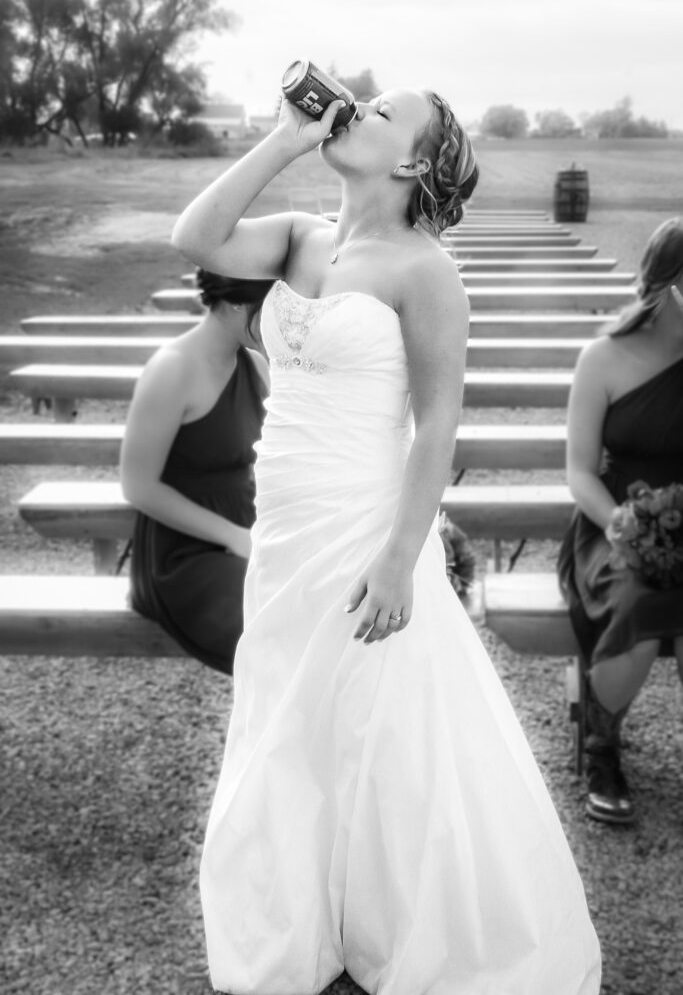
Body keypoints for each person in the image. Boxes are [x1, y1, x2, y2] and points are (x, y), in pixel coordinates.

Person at [172, 85, 601, 994]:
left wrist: (401, 559)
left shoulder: (426, 270)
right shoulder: (297, 235)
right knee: (288, 712)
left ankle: (399, 921)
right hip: (285, 526)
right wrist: (284, 141)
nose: (353, 109)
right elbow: (194, 239)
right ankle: (302, 920)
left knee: (380, 723)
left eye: (380, 113)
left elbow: (438, 427)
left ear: (412, 161)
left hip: (365, 525)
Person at [559, 218, 683, 825]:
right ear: (671, 282)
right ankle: (602, 747)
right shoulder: (603, 358)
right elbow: (580, 473)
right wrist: (626, 530)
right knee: (637, 600)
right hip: (611, 527)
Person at [120, 271, 272, 676]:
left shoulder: (256, 364)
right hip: (182, 555)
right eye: (276, 306)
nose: (284, 322)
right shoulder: (172, 368)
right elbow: (137, 486)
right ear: (240, 303)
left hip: (247, 531)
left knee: (328, 609)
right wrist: (234, 537)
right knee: (277, 631)